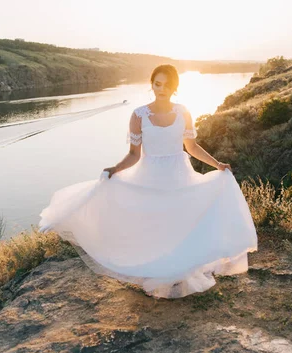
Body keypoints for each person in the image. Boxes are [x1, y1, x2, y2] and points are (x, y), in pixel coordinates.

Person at [39, 64, 258, 298]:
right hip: (150, 174)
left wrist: (217, 165)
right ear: (152, 84)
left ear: (175, 87)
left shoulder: (183, 111)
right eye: (157, 83)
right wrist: (115, 169)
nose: (162, 89)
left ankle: (179, 272)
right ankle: (159, 272)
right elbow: (134, 154)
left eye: (167, 84)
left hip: (178, 174)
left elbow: (191, 147)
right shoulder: (139, 115)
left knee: (178, 222)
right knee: (156, 224)